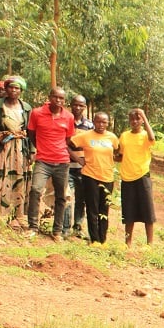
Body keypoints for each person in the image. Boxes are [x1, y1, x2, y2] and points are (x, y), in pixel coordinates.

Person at [27, 86, 76, 241]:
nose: (59, 100)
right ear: (49, 97)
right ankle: (32, 227)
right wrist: (41, 148)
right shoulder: (36, 113)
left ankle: (57, 231)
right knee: (35, 190)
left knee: (61, 196)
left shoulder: (68, 117)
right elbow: (32, 134)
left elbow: (68, 139)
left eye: (62, 98)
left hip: (62, 161)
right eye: (56, 97)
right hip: (43, 161)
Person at [69, 112, 118, 245]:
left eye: (104, 122)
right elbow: (68, 144)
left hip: (108, 177)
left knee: (104, 209)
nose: (101, 125)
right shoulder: (86, 136)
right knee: (93, 208)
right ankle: (95, 239)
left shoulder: (112, 138)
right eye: (98, 122)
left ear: (108, 123)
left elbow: (118, 153)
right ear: (94, 122)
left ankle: (103, 240)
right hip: (90, 176)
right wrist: (78, 159)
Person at [0, 76, 33, 228]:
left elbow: (30, 130)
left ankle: (19, 214)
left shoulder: (27, 107)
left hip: (21, 147)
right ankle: (1, 212)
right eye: (11, 87)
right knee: (0, 177)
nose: (13, 90)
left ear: (21, 91)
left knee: (20, 178)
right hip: (3, 146)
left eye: (17, 88)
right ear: (6, 89)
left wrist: (33, 150)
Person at [118, 108, 156, 247]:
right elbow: (121, 155)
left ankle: (149, 244)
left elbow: (152, 138)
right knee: (128, 212)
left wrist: (144, 116)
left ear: (141, 120)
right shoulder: (124, 136)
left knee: (148, 211)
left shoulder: (146, 135)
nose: (134, 121)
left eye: (137, 119)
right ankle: (128, 242)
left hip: (142, 175)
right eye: (132, 119)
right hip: (127, 177)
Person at [66, 95, 94, 238]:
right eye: (75, 104)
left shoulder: (90, 126)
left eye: (81, 105)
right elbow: (63, 144)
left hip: (84, 168)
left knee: (81, 199)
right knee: (67, 197)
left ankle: (77, 226)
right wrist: (76, 157)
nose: (77, 107)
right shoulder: (65, 121)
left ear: (85, 107)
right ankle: (65, 228)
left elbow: (93, 145)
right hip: (67, 166)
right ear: (71, 105)